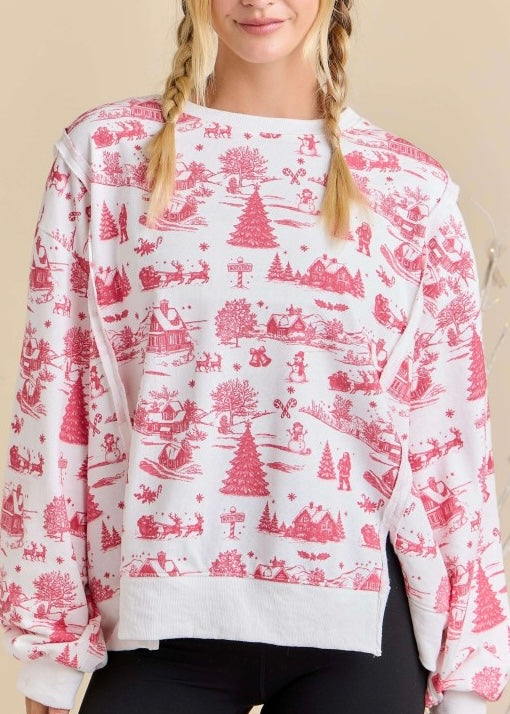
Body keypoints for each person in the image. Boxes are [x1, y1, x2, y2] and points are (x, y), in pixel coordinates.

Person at [1, 1, 509, 713]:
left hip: (360, 629)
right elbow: (55, 398)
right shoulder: (106, 157)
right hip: (160, 619)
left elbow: (450, 441)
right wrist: (50, 650)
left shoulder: (412, 190)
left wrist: (468, 682)